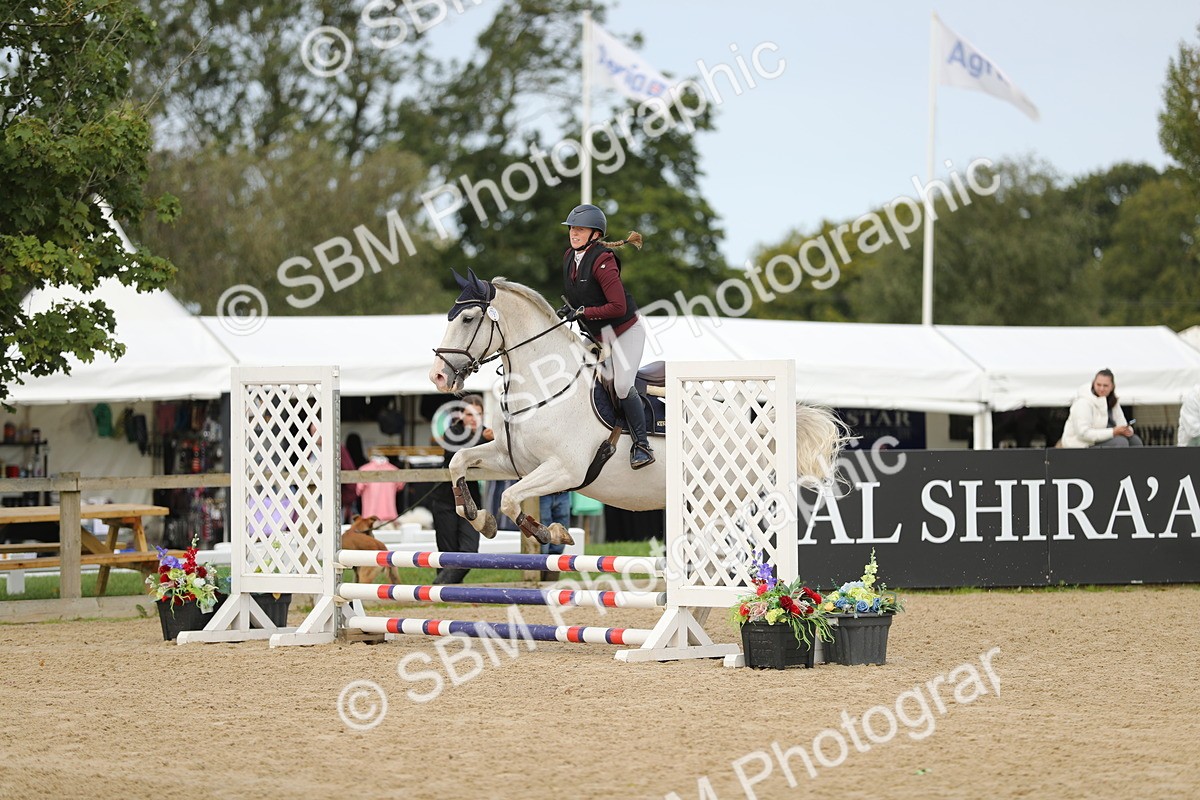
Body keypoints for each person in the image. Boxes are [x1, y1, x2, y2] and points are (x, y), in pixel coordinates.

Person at [556, 203, 654, 470]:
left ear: (595, 234)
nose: (573, 233)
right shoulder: (569, 258)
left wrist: (585, 311)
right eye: (572, 229)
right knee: (567, 368)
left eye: (580, 229)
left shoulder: (603, 260)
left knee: (622, 385)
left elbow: (618, 307)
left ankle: (642, 445)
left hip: (624, 332)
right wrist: (571, 308)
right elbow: (582, 296)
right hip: (599, 336)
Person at [430, 394, 493, 584]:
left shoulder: (486, 434)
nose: (474, 419)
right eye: (470, 414)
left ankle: (438, 587)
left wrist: (489, 440)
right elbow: (458, 454)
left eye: (478, 414)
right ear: (461, 415)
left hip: (470, 500)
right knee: (448, 552)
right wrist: (484, 440)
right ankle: (447, 592)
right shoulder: (453, 432)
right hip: (445, 499)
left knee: (469, 551)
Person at [1061, 369, 1143, 448]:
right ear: (1093, 384)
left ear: (1112, 386)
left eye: (1105, 386)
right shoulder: (1083, 403)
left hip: (1104, 439)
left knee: (1135, 441)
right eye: (1098, 385)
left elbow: (1122, 423)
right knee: (1120, 442)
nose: (1101, 389)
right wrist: (1113, 432)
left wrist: (1127, 430)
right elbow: (1083, 434)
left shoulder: (1112, 401)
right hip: (1083, 445)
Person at [538, 491, 571, 556]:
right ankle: (544, 559)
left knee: (562, 524)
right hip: (543, 492)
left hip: (562, 491)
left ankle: (553, 558)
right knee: (543, 524)